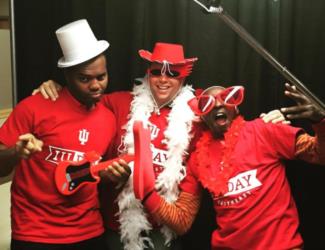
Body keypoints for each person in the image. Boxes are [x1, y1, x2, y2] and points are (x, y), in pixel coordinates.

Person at [33, 42, 287, 250]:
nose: (164, 79)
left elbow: (228, 120)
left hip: (164, 231)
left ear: (183, 77)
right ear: (148, 73)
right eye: (157, 71)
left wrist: (268, 121)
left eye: (173, 73)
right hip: (118, 227)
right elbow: (82, 101)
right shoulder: (118, 103)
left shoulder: (196, 112)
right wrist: (58, 91)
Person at [133, 83, 325, 250]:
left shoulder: (265, 130)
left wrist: (320, 122)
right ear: (202, 117)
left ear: (236, 107)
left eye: (226, 98)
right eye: (207, 103)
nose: (217, 103)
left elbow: (318, 154)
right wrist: (147, 193)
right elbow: (182, 221)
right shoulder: (197, 160)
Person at [0, 19, 124, 250]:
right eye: (84, 79)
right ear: (67, 76)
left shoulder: (108, 118)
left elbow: (93, 172)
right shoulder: (35, 107)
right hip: (35, 234)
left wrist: (115, 174)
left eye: (101, 77)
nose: (96, 85)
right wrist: (16, 152)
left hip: (89, 231)